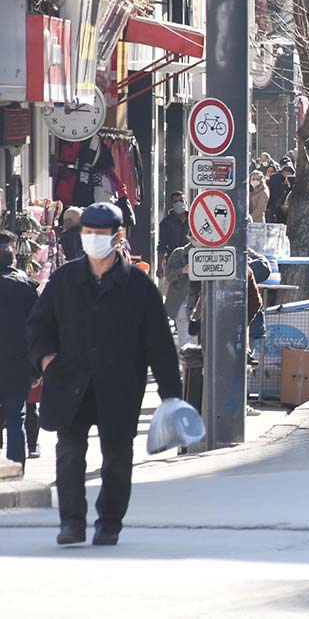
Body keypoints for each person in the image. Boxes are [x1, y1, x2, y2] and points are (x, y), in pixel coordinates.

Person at [26, 202, 183, 546]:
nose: (93, 239)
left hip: (119, 387)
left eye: (100, 233)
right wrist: (46, 360)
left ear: (117, 237)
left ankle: (109, 522)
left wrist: (172, 395)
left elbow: (159, 342)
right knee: (68, 455)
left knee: (116, 458)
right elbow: (38, 325)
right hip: (70, 383)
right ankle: (71, 522)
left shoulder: (139, 286)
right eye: (88, 232)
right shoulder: (64, 280)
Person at [0, 230, 38, 471]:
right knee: (16, 418)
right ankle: (15, 469)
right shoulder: (27, 287)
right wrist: (36, 369)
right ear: (14, 260)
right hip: (17, 364)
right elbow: (37, 330)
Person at [162, 239, 195, 350]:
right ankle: (188, 366)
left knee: (199, 340)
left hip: (201, 304)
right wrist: (182, 271)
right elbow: (169, 275)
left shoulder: (208, 253)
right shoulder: (178, 254)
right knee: (185, 341)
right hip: (182, 302)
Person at [156, 191, 189, 277]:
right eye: (176, 201)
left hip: (190, 261)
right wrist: (159, 266)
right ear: (172, 204)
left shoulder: (192, 220)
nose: (179, 203)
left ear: (186, 202)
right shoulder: (166, 223)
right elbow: (161, 245)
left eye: (181, 201)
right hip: (173, 263)